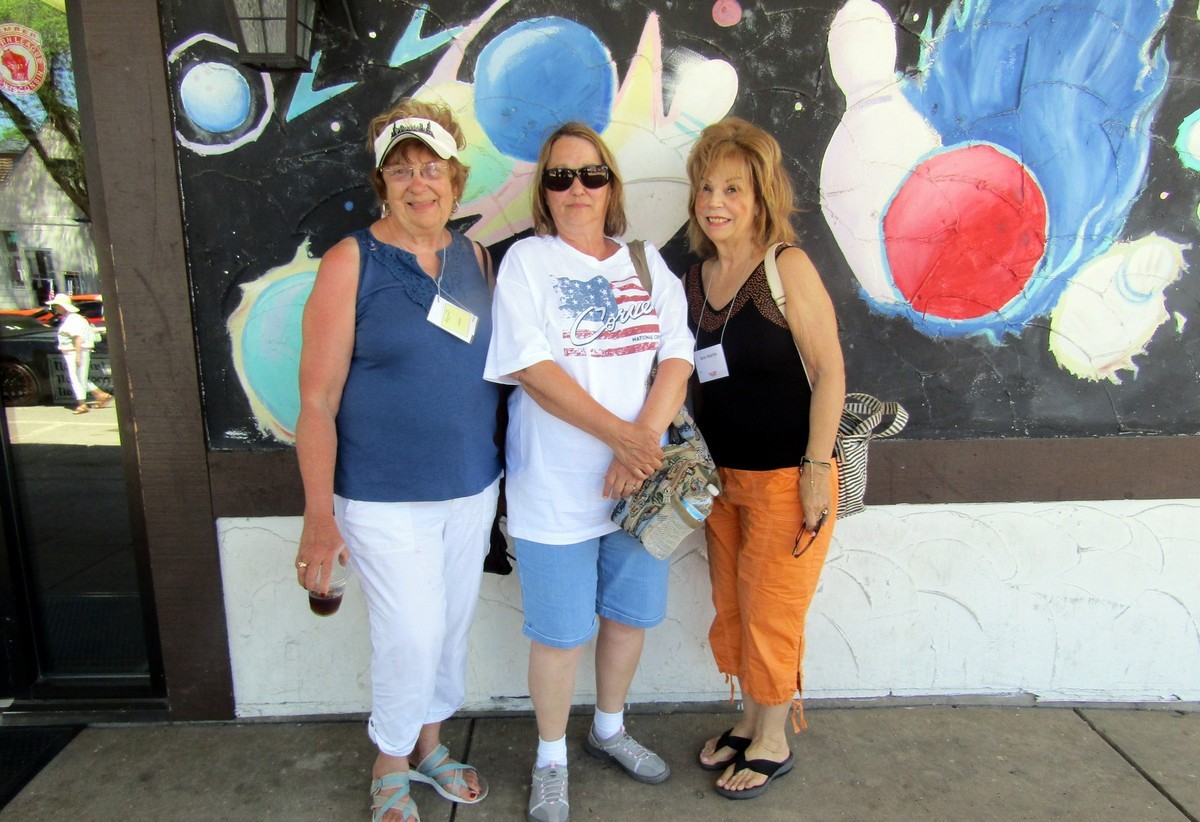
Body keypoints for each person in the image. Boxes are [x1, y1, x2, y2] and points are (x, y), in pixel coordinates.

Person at [293, 99, 501, 822]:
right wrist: (319, 517)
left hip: (471, 486)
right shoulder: (350, 261)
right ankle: (389, 759)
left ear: (455, 179)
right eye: (402, 170)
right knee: (409, 635)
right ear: (382, 181)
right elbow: (316, 400)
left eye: (432, 168)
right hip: (381, 496)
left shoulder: (476, 258)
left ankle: (430, 746)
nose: (420, 184)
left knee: (448, 629)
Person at [484, 122, 694, 822]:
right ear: (544, 193)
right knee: (560, 633)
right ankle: (551, 758)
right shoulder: (528, 262)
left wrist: (642, 445)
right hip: (554, 486)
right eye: (560, 176)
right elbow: (532, 368)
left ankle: (609, 729)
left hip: (641, 486)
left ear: (611, 185)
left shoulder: (644, 261)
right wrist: (623, 440)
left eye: (591, 174)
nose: (577, 188)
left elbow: (677, 356)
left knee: (628, 619)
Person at [682, 117, 846, 800]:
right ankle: (750, 721)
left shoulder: (786, 267)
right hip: (721, 482)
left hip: (786, 478)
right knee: (733, 605)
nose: (715, 202)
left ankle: (774, 739)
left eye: (733, 189)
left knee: (771, 610)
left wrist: (816, 468)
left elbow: (829, 371)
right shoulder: (696, 279)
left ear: (760, 197)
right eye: (706, 187)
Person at [47, 293, 111, 414]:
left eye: (57, 305)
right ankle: (100, 395)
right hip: (76, 351)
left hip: (76, 351)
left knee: (76, 378)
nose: (55, 308)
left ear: (63, 306)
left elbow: (78, 338)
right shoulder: (71, 318)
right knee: (80, 376)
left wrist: (77, 355)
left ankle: (82, 404)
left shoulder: (72, 319)